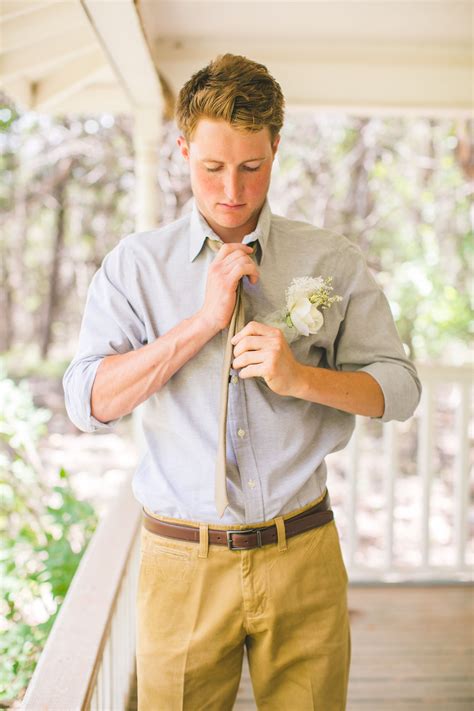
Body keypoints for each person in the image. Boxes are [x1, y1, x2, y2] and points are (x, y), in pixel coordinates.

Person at [63, 53, 421, 710]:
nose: (233, 188)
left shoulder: (330, 260)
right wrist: (201, 321)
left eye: (252, 167)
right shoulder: (135, 268)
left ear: (276, 148)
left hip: (303, 552)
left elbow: (399, 388)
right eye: (213, 167)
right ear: (181, 150)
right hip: (181, 563)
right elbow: (90, 402)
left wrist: (300, 378)